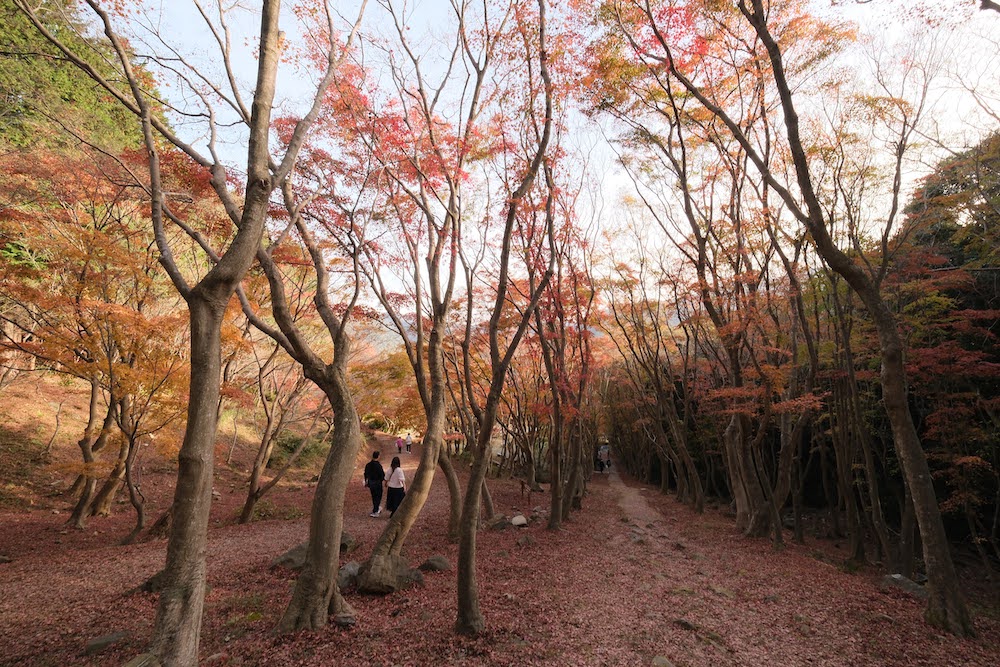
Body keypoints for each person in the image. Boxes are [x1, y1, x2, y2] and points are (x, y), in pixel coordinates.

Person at [363, 451, 385, 517]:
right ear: (378, 456)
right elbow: (382, 475)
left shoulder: (368, 465)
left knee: (374, 496)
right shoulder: (378, 465)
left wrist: (366, 481)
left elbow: (365, 474)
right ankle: (375, 510)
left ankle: (376, 508)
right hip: (377, 483)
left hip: (371, 483)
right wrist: (382, 479)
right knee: (378, 496)